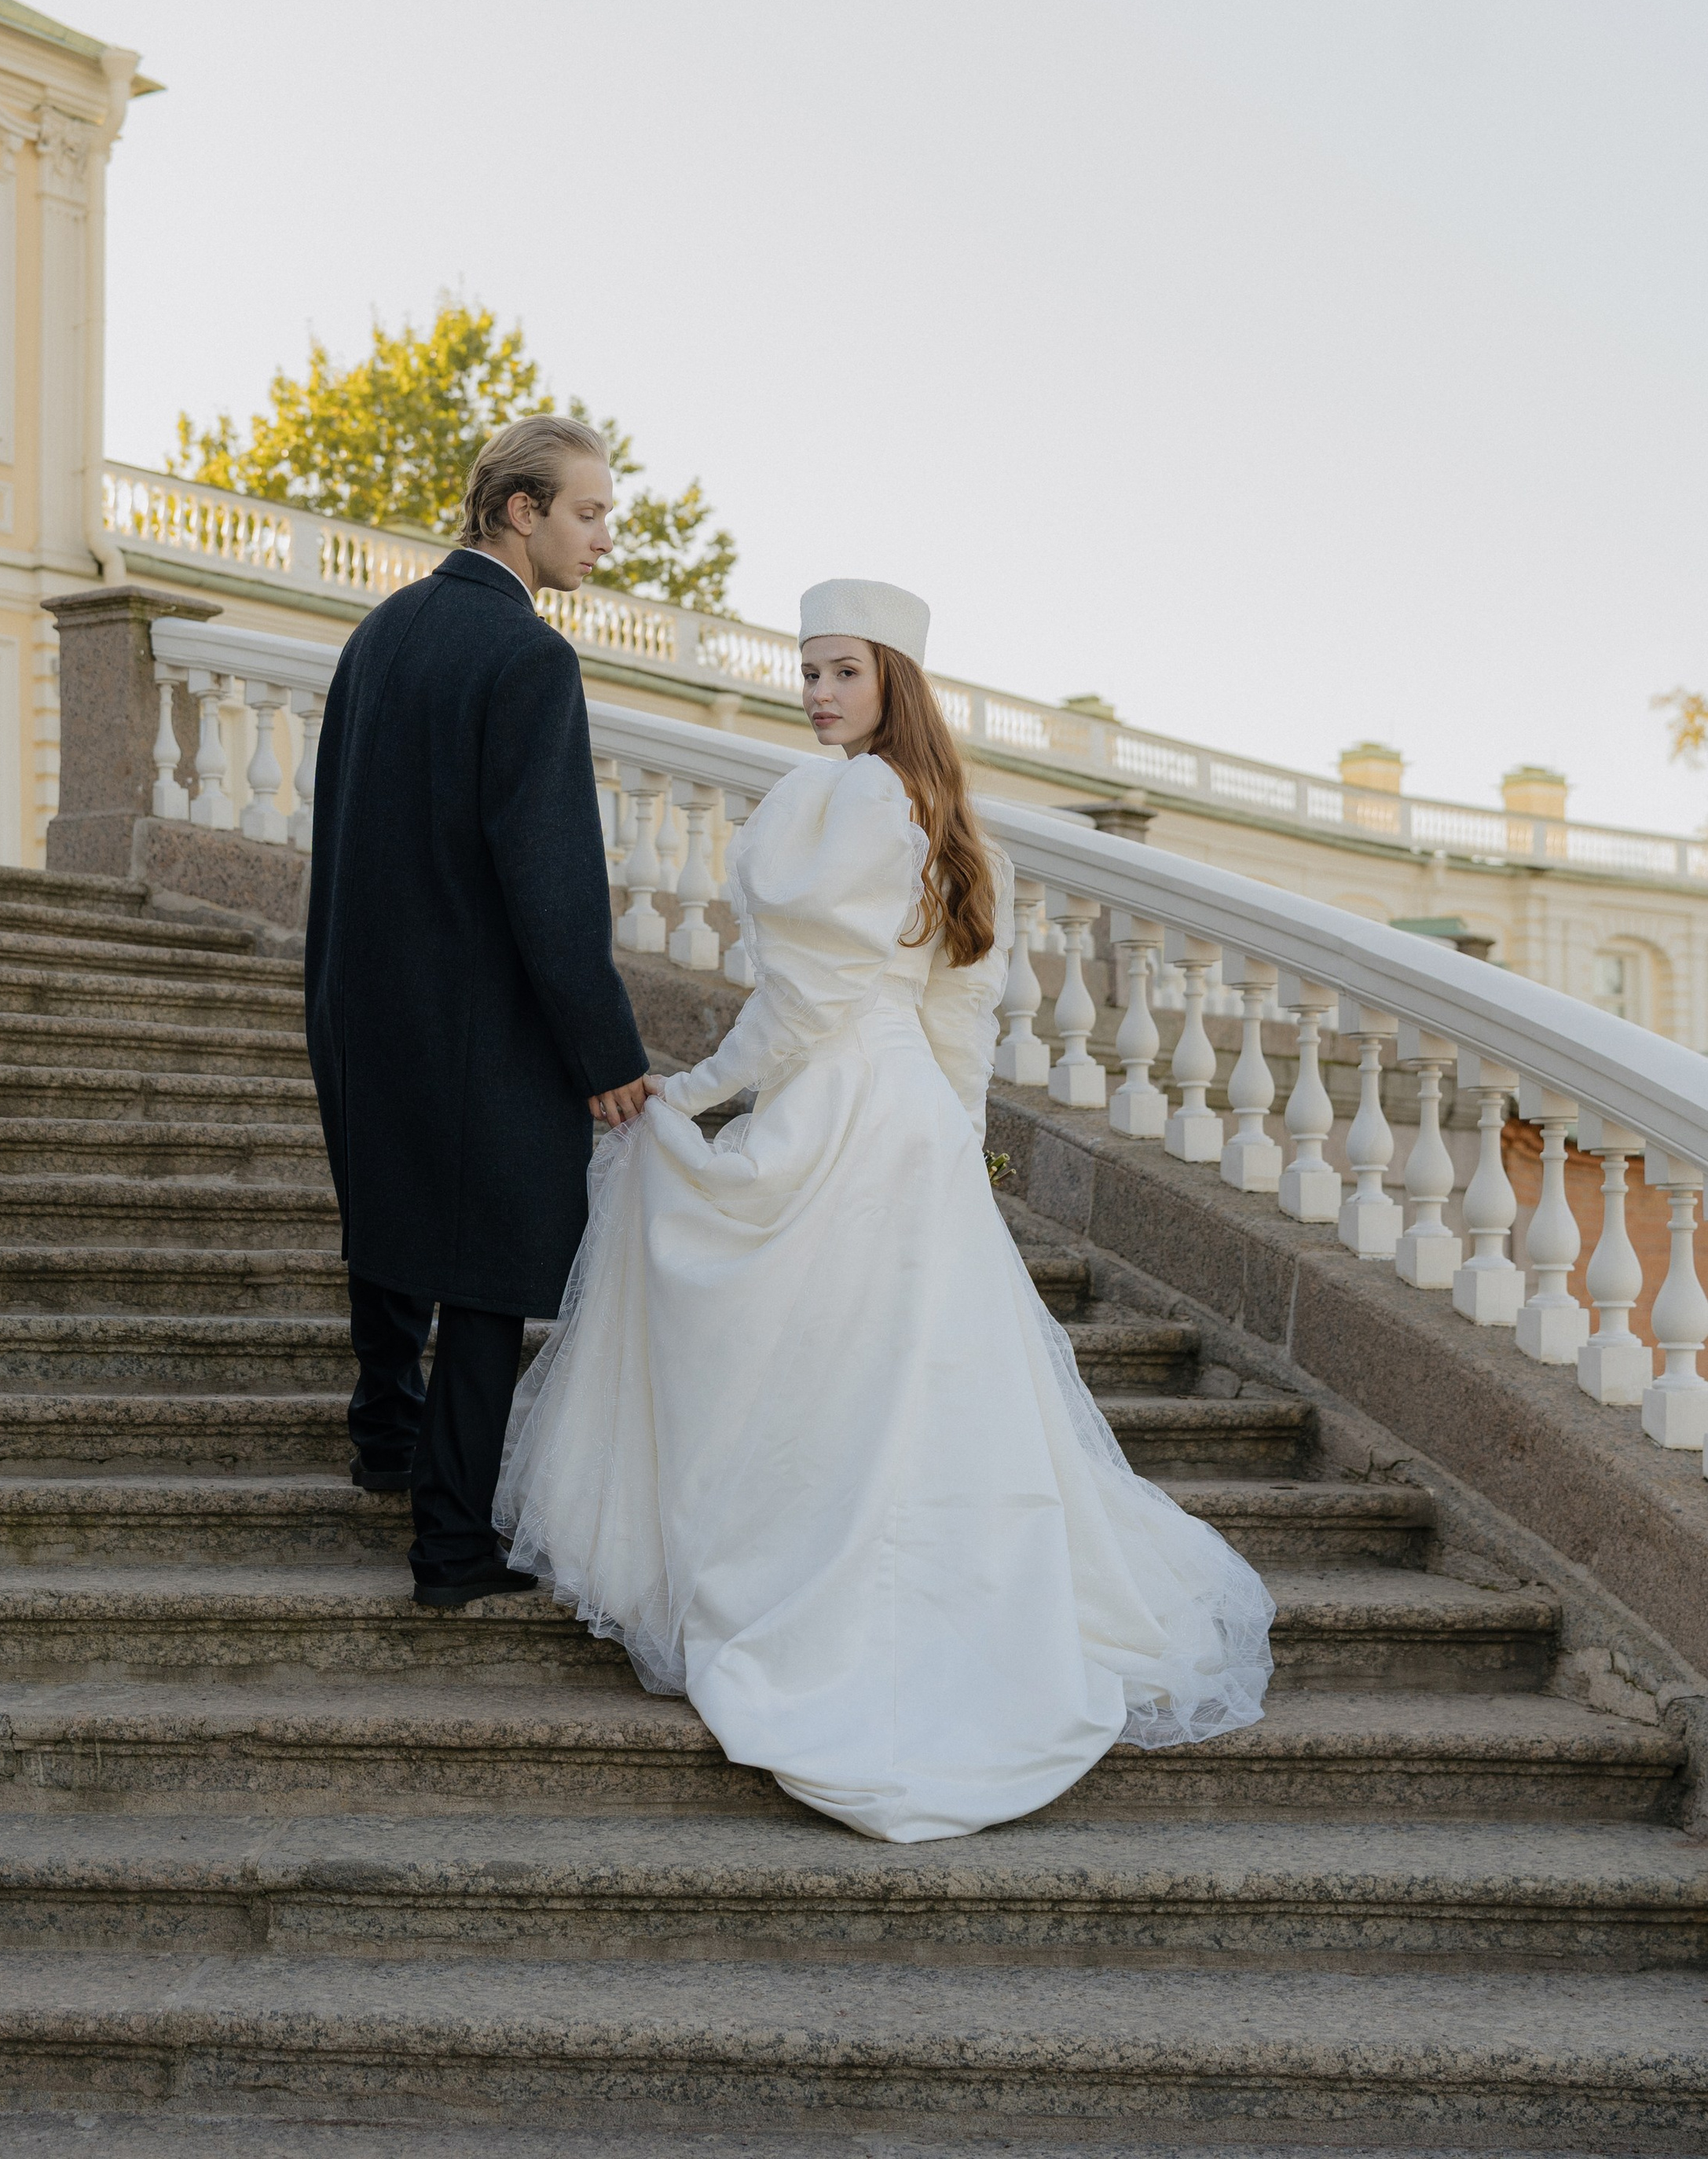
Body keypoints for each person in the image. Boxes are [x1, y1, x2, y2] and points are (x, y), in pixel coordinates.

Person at [497, 576, 1274, 1841]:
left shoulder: (851, 800)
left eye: (841, 671)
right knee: (902, 1374)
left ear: (894, 683)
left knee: (824, 1363)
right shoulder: (947, 817)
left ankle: (835, 1605)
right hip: (905, 1117)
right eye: (806, 671)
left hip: (850, 1112)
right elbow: (955, 1019)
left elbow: (800, 1009)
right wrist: (955, 1149)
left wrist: (684, 1096)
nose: (816, 692)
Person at [305, 415, 651, 1610]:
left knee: (396, 1224)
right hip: (478, 1021)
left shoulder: (380, 632)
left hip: (364, 1001)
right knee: (493, 1272)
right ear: (521, 511)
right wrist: (603, 1050)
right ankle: (452, 1544)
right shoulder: (528, 658)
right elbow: (550, 882)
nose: (605, 537)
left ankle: (384, 1444)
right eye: (589, 513)